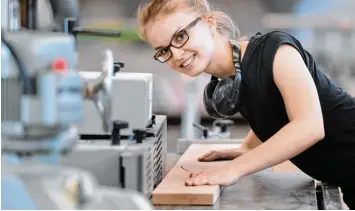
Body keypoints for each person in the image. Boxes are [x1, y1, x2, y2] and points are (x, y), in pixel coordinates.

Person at [136, 0, 355, 209]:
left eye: (181, 36)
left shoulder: (275, 50)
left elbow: (309, 127)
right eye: (164, 50)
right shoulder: (235, 75)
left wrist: (234, 169)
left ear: (209, 23)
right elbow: (271, 108)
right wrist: (247, 147)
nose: (175, 54)